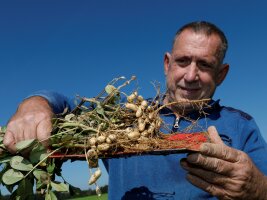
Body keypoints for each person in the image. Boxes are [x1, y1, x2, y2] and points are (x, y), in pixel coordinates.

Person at [3, 21, 267, 199]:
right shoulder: (122, 118)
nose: (191, 75)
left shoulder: (241, 126)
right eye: (183, 61)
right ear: (167, 63)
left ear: (221, 74)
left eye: (205, 65)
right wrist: (37, 102)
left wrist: (258, 188)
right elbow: (66, 105)